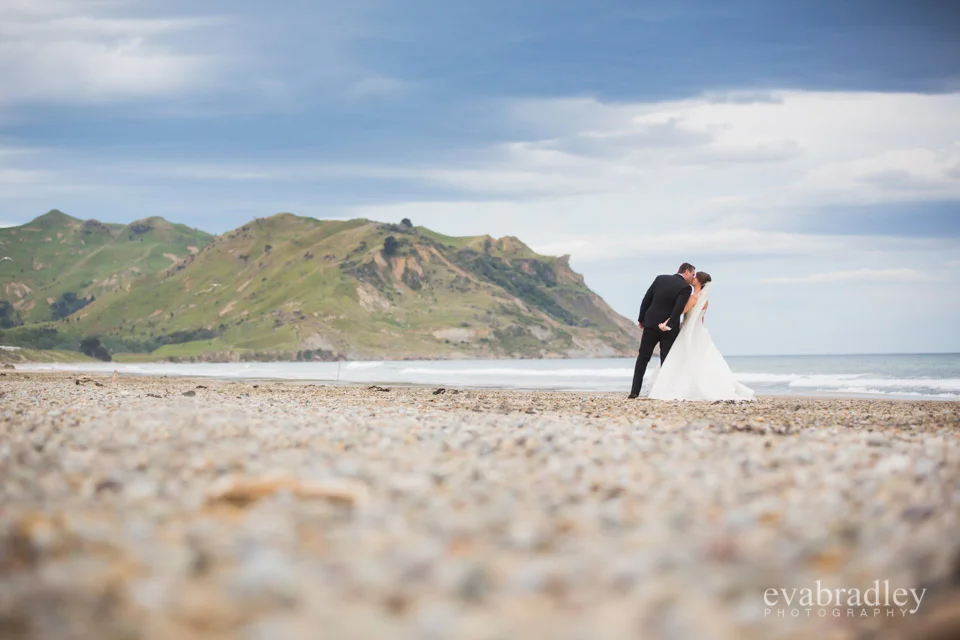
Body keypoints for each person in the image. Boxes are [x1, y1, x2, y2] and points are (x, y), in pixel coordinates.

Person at [647, 271, 755, 401]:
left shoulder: (693, 298)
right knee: (701, 358)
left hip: (688, 330)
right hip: (699, 330)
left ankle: (678, 386)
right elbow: (701, 318)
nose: (693, 278)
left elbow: (680, 312)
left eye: (695, 276)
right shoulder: (705, 300)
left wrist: (666, 322)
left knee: (681, 358)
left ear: (698, 281)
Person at [627, 263, 696, 399]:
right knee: (666, 359)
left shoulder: (660, 279)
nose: (693, 278)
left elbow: (647, 299)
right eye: (693, 274)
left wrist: (641, 319)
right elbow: (678, 308)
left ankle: (634, 391)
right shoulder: (685, 288)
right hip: (668, 329)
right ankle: (664, 392)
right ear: (686, 272)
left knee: (643, 357)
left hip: (651, 323)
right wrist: (668, 325)